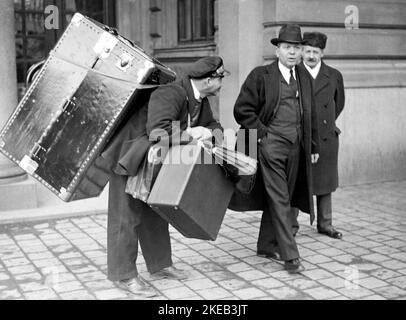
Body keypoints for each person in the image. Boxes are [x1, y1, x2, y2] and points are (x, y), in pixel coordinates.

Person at [101, 56, 228, 297]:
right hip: (130, 158)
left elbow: (213, 125)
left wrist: (213, 136)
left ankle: (160, 265)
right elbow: (158, 130)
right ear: (208, 80)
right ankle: (123, 275)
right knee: (125, 217)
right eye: (220, 77)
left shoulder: (199, 99)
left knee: (154, 213)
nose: (222, 82)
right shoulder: (171, 92)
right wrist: (192, 133)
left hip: (155, 161)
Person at [233, 24, 320, 274]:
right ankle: (290, 256)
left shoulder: (303, 76)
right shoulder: (261, 75)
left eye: (297, 48)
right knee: (281, 199)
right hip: (270, 146)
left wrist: (311, 145)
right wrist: (263, 136)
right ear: (278, 50)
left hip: (296, 146)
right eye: (287, 48)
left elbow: (310, 112)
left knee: (286, 197)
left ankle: (266, 244)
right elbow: (242, 110)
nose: (293, 53)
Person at [291, 32, 345, 239]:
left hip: (326, 137)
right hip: (301, 135)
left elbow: (338, 104)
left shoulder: (334, 75)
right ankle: (291, 226)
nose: (311, 56)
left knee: (325, 182)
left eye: (315, 51)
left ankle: (326, 224)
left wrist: (325, 124)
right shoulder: (294, 72)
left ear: (322, 53)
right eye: (307, 51)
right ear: (302, 51)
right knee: (297, 181)